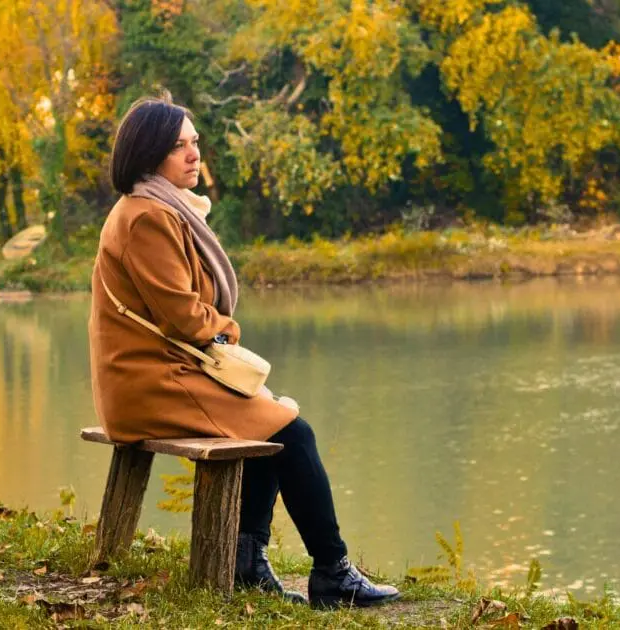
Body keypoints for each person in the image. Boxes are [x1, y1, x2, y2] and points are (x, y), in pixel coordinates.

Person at [87, 95, 400, 609]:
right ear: (149, 157)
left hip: (163, 371)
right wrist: (228, 328)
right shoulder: (148, 218)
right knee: (292, 432)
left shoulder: (160, 210)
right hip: (149, 381)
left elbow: (184, 314)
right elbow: (183, 317)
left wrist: (215, 331)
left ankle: (248, 563)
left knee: (267, 423)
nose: (193, 155)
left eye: (195, 143)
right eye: (178, 147)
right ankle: (333, 572)